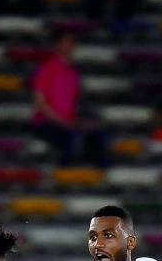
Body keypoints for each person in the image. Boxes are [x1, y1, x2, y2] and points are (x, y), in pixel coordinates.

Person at [31, 31, 106, 166]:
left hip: (68, 122)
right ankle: (64, 173)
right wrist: (60, 121)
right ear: (57, 45)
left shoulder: (73, 73)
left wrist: (79, 121)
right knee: (71, 139)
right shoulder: (47, 68)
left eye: (72, 43)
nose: (70, 46)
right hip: (46, 122)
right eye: (67, 42)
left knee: (98, 137)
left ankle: (94, 176)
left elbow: (73, 105)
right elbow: (40, 102)